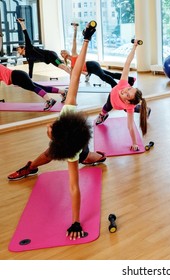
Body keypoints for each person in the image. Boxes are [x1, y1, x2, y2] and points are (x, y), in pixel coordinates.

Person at [10, 21, 96, 240]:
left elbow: (74, 188)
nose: (48, 127)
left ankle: (100, 157)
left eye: (49, 131)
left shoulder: (71, 154)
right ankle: (30, 168)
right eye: (51, 128)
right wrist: (87, 39)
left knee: (89, 157)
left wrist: (76, 221)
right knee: (46, 155)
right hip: (72, 140)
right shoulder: (68, 110)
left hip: (79, 149)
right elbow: (75, 75)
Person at [94, 39, 148, 151]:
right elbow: (127, 63)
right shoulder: (123, 83)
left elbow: (130, 126)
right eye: (129, 89)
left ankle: (144, 109)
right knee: (106, 107)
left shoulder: (129, 106)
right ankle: (102, 115)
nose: (124, 91)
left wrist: (134, 143)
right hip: (112, 96)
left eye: (127, 95)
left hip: (119, 105)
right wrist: (134, 47)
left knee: (132, 109)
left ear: (128, 101)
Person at [60, 23, 135, 87]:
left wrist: (75, 29)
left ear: (67, 52)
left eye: (63, 52)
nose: (63, 54)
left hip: (91, 65)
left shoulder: (74, 54)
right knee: (110, 74)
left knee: (103, 77)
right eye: (61, 54)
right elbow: (75, 74)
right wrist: (72, 83)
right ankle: (131, 79)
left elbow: (74, 40)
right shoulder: (71, 65)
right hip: (90, 69)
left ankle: (115, 87)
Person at [7, 147, 106, 181]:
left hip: (77, 143)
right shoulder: (67, 109)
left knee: (86, 155)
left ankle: (31, 167)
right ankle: (31, 167)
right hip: (73, 136)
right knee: (49, 153)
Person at [0, 63, 67, 110]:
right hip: (18, 75)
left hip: (16, 76)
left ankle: (50, 100)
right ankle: (63, 92)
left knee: (34, 88)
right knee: (41, 87)